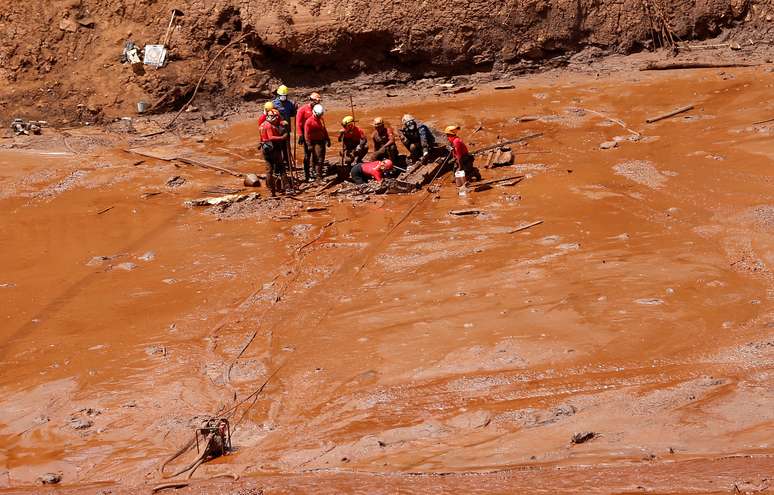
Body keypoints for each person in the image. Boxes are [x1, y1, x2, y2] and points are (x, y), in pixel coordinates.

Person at [259, 109, 289, 195]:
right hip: (273, 149)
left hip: (265, 149)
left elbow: (262, 139)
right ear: (273, 117)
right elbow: (271, 137)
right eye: (277, 118)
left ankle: (271, 189)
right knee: (281, 168)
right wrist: (282, 137)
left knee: (269, 170)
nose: (277, 119)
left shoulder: (262, 125)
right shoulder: (268, 126)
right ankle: (287, 188)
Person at [296, 92, 322, 181]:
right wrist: (300, 135)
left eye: (318, 102)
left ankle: (314, 170)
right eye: (316, 102)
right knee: (307, 154)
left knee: (315, 154)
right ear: (311, 100)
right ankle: (307, 175)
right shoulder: (302, 110)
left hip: (314, 134)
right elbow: (298, 123)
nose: (317, 104)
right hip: (306, 134)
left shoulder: (317, 109)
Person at [303, 104, 330, 181]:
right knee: (319, 159)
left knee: (319, 158)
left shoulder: (321, 119)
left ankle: (315, 172)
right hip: (314, 142)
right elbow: (306, 134)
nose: (319, 116)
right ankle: (318, 176)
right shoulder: (309, 122)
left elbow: (324, 130)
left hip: (321, 141)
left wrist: (328, 139)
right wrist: (309, 144)